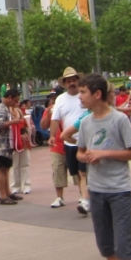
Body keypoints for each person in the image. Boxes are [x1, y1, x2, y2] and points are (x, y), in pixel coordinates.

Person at [77, 73, 131, 260]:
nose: (80, 97)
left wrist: (106, 153)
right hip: (96, 190)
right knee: (106, 244)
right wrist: (88, 157)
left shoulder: (119, 119)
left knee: (123, 243)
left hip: (119, 191)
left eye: (83, 92)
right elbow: (81, 152)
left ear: (97, 94)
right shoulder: (85, 123)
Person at [50, 67, 90, 214]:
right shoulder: (60, 99)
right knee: (75, 171)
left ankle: (84, 198)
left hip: (85, 141)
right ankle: (78, 196)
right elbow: (55, 119)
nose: (72, 83)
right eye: (69, 81)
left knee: (83, 172)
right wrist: (52, 136)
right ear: (65, 83)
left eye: (74, 80)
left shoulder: (85, 95)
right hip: (69, 142)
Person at [0, 88, 23, 204]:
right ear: (10, 97)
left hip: (4, 144)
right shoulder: (0, 108)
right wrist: (14, 122)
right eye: (15, 101)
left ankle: (8, 193)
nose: (15, 104)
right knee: (1, 169)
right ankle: (3, 196)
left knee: (6, 169)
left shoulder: (4, 107)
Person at [8, 97, 32, 195]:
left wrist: (26, 135)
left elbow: (25, 125)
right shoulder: (7, 112)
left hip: (22, 140)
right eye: (15, 101)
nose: (17, 103)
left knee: (25, 163)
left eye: (18, 101)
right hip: (13, 140)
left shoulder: (20, 112)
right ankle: (15, 186)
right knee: (14, 165)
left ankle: (26, 185)